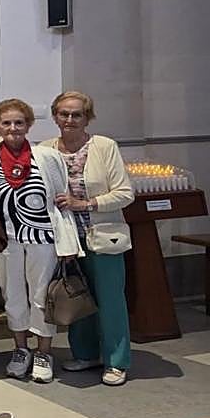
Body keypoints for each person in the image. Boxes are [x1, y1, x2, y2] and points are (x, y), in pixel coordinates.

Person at [0, 99, 80, 384]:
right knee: (12, 296)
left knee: (41, 296)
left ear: (29, 125)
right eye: (6, 123)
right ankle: (20, 349)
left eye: (19, 123)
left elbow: (61, 201)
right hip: (6, 239)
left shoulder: (47, 157)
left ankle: (43, 352)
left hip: (42, 237)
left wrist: (66, 244)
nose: (13, 128)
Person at [40, 91, 135, 386]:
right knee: (75, 294)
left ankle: (116, 361)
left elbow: (125, 193)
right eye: (64, 114)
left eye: (76, 114)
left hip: (102, 235)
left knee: (110, 300)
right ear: (55, 116)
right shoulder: (44, 149)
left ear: (87, 118)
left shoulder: (104, 147)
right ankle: (85, 353)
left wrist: (86, 204)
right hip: (65, 238)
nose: (70, 120)